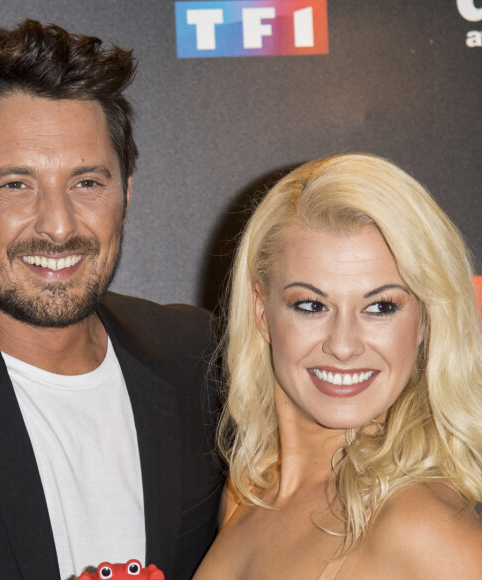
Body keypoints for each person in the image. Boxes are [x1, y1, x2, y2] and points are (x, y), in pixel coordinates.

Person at [0, 20, 222, 580]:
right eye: (15, 184)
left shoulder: (200, 355)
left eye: (87, 183)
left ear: (126, 192)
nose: (57, 226)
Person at [194, 153, 482, 579]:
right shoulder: (248, 494)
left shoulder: (422, 524)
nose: (343, 345)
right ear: (260, 310)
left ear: (423, 319)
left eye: (381, 306)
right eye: (310, 305)